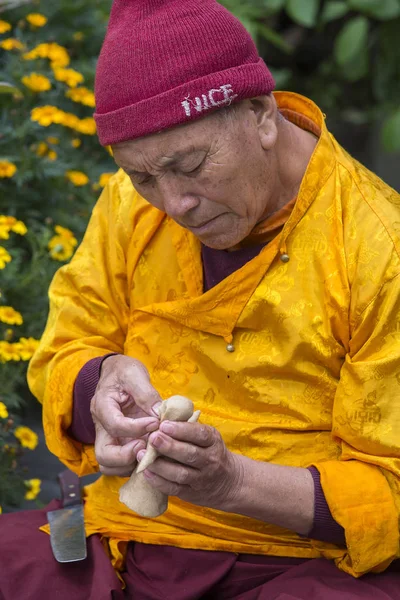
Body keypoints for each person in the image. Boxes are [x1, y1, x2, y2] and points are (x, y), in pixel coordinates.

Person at [1, 0, 400, 598]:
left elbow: (390, 488)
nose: (173, 205)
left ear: (261, 115)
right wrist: (99, 387)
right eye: (144, 177)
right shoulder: (130, 205)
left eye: (190, 165)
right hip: (123, 530)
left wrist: (231, 482)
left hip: (293, 558)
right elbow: (68, 342)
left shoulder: (377, 247)